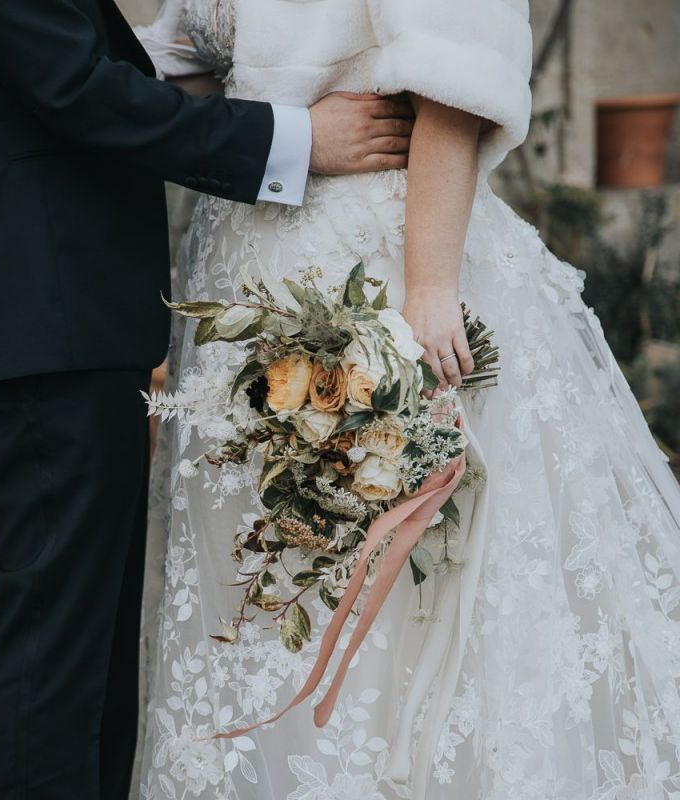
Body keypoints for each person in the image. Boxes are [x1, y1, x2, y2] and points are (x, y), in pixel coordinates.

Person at [140, 1, 680, 798]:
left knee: (402, 578)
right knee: (266, 576)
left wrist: (428, 288)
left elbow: (456, 84)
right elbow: (177, 62)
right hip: (245, 276)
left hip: (382, 262)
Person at [0, 2, 414, 798]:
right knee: (57, 645)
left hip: (59, 313)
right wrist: (293, 139)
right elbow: (79, 90)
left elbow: (73, 61)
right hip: (41, 315)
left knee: (87, 637)